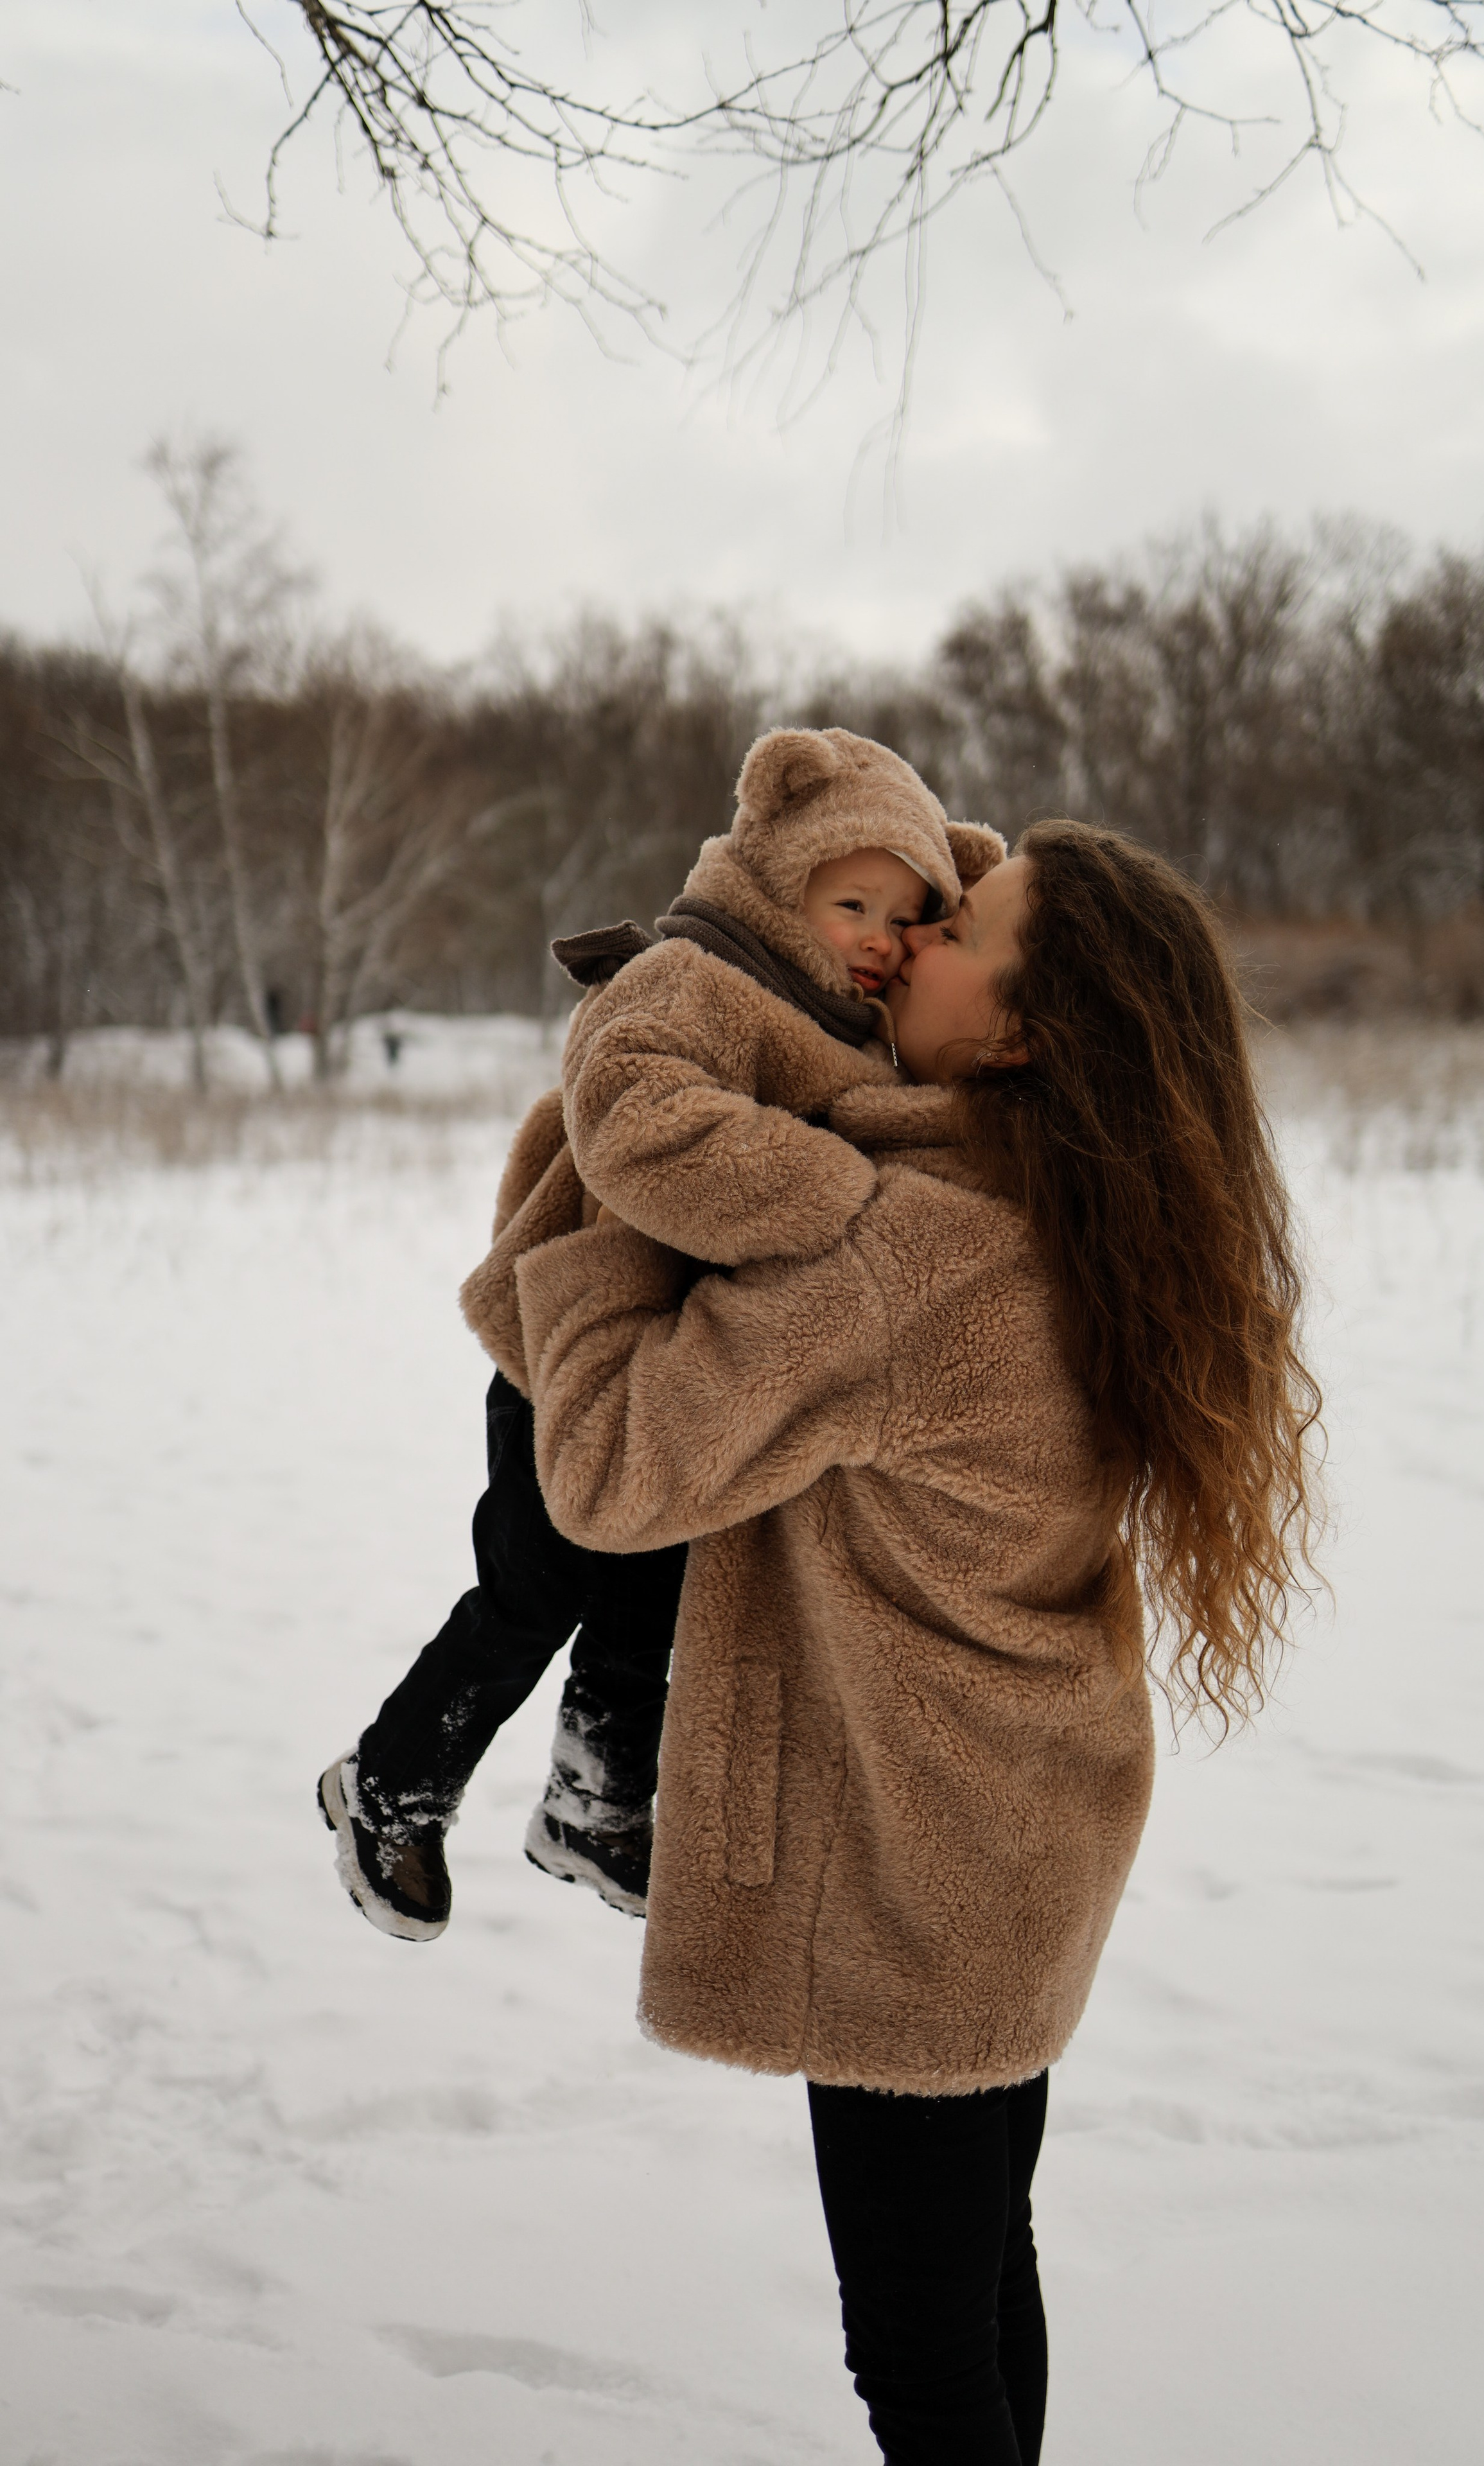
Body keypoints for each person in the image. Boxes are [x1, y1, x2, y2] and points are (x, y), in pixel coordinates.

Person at [511, 820, 1323, 2466]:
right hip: (1020, 1836)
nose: (911, 937)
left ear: (1018, 1031)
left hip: (906, 1878)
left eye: (955, 925)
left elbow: (605, 1466)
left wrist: (600, 1216)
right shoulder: (1076, 1208)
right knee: (975, 2278)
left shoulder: (912, 1255)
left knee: (918, 2346)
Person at [318, 725, 1004, 1935]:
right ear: (778, 871)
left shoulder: (843, 1027)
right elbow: (636, 1107)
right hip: (567, 1349)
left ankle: (598, 1797)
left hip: (673, 1361)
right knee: (536, 1587)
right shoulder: (698, 977)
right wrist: (836, 1196)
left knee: (660, 1575)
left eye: (905, 919)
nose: (878, 940)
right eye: (852, 901)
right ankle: (388, 1783)